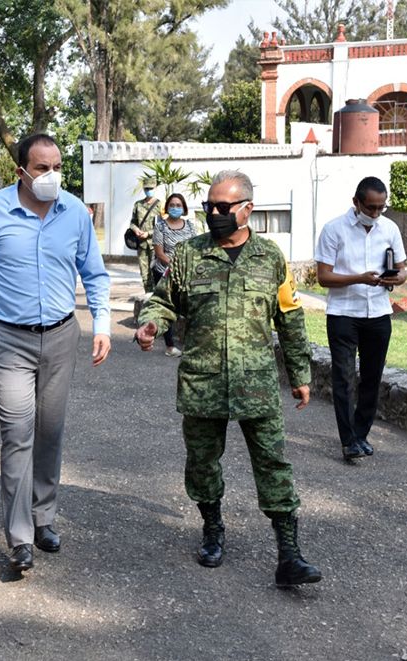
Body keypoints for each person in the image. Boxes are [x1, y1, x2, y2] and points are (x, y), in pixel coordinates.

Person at [135, 169, 322, 587]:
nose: (214, 213)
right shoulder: (189, 255)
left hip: (256, 382)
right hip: (203, 381)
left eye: (223, 207)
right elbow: (163, 301)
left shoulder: (270, 257)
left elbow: (289, 318)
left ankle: (289, 553)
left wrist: (300, 373)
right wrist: (149, 324)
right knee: (202, 463)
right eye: (210, 206)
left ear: (247, 210)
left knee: (274, 464)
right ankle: (213, 529)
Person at [0, 133, 111, 573]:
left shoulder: (74, 212)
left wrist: (103, 324)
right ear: (20, 170)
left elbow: (94, 273)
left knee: (51, 432)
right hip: (7, 341)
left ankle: (44, 518)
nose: (51, 176)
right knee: (17, 433)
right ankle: (19, 537)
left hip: (60, 338)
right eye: (42, 168)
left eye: (57, 167)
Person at [314, 176, 407, 461]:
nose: (376, 213)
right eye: (370, 208)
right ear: (356, 202)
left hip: (378, 313)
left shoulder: (389, 229)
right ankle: (348, 441)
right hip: (344, 313)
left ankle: (361, 435)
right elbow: (323, 277)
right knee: (343, 378)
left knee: (372, 378)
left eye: (381, 207)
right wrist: (360, 279)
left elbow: (403, 272)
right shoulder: (334, 230)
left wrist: (394, 278)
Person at [150, 192, 199, 357]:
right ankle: (170, 346)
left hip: (187, 274)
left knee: (189, 308)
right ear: (167, 208)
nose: (175, 208)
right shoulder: (160, 227)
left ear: (184, 208)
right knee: (167, 308)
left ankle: (192, 344)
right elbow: (160, 253)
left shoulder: (191, 226)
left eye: (178, 205)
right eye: (172, 205)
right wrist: (175, 266)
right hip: (164, 272)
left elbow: (195, 250)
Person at [129, 177, 162, 292]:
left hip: (155, 244)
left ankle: (157, 296)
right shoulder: (138, 205)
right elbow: (132, 223)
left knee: (156, 271)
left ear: (155, 188)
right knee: (144, 273)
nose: (148, 190)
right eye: (146, 188)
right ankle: (147, 294)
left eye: (151, 188)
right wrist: (136, 230)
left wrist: (148, 233)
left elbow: (163, 226)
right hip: (142, 245)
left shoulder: (160, 205)